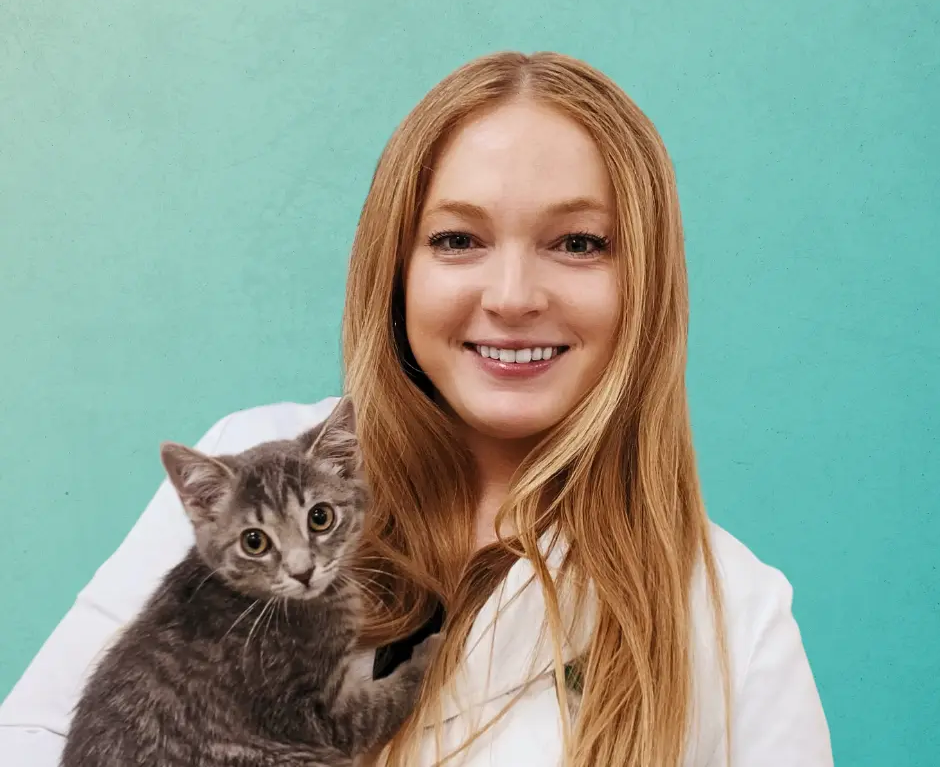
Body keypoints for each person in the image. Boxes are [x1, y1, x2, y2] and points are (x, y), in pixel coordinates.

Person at [0, 51, 833, 766]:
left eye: (578, 243)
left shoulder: (735, 613)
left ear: (644, 282)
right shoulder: (254, 459)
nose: (511, 297)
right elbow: (36, 739)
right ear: (395, 271)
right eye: (457, 240)